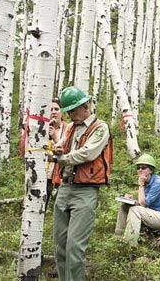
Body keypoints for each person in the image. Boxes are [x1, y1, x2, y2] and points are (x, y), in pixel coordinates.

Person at [51, 86, 111, 281]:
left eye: (73, 110)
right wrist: (57, 150)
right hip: (65, 187)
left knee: (75, 248)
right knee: (60, 247)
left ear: (84, 106)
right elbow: (62, 147)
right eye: (68, 111)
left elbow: (89, 153)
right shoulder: (69, 128)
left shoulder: (100, 127)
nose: (70, 115)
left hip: (85, 191)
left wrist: (64, 159)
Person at [114, 154, 160, 245]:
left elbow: (143, 204)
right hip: (151, 213)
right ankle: (117, 237)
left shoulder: (157, 183)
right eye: (138, 168)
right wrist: (131, 200)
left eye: (143, 168)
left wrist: (141, 185)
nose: (140, 170)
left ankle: (130, 243)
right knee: (125, 206)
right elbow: (143, 201)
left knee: (135, 210)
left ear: (151, 170)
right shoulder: (147, 181)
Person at [46, 97, 67, 210]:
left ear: (62, 111)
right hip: (43, 173)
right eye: (51, 109)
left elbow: (67, 150)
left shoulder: (68, 128)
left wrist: (55, 137)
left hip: (59, 174)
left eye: (56, 109)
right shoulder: (42, 127)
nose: (53, 112)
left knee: (58, 207)